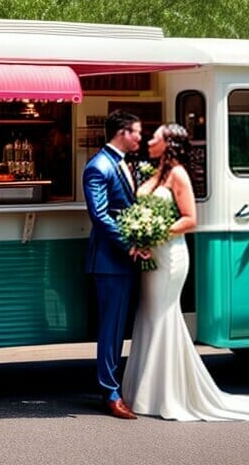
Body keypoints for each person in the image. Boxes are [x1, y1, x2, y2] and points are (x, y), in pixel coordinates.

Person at [123, 123, 249, 421]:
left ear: (168, 144)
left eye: (155, 137)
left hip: (170, 256)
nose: (149, 141)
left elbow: (190, 220)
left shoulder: (178, 175)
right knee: (148, 316)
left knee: (162, 317)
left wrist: (153, 235)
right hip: (151, 257)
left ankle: (167, 395)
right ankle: (146, 393)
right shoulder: (154, 172)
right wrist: (140, 240)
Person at [83, 109, 144, 420]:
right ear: (122, 133)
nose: (140, 137)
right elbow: (100, 215)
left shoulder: (120, 162)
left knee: (120, 328)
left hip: (122, 261)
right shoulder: (98, 166)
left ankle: (116, 386)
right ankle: (110, 392)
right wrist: (130, 243)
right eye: (137, 132)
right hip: (109, 262)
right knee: (111, 329)